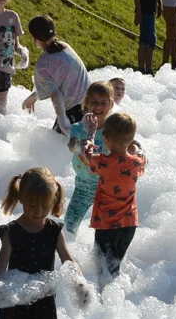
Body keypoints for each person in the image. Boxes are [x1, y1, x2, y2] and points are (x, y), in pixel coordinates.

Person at [0, 167, 78, 319]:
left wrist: (79, 282)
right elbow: (0, 267)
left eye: (45, 207)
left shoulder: (54, 230)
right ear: (21, 198)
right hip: (16, 300)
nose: (39, 212)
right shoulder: (12, 232)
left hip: (44, 302)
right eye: (32, 206)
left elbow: (68, 259)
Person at [83, 112, 145, 279]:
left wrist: (90, 133)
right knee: (114, 266)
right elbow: (141, 153)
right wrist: (136, 146)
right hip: (129, 225)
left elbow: (86, 152)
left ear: (106, 138)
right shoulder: (136, 162)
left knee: (101, 268)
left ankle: (103, 299)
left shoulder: (102, 162)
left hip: (106, 225)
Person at [23, 15, 90, 136]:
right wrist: (35, 96)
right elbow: (63, 82)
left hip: (73, 114)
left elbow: (56, 95)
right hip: (92, 107)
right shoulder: (65, 47)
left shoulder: (43, 64)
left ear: (33, 38)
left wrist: (63, 124)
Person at [64, 81, 114, 236]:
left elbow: (125, 142)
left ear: (111, 104)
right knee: (69, 223)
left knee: (106, 226)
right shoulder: (79, 127)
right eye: (94, 102)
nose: (98, 107)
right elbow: (72, 147)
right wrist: (86, 137)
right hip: (84, 183)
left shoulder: (112, 129)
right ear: (86, 103)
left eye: (103, 103)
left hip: (106, 185)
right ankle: (68, 250)